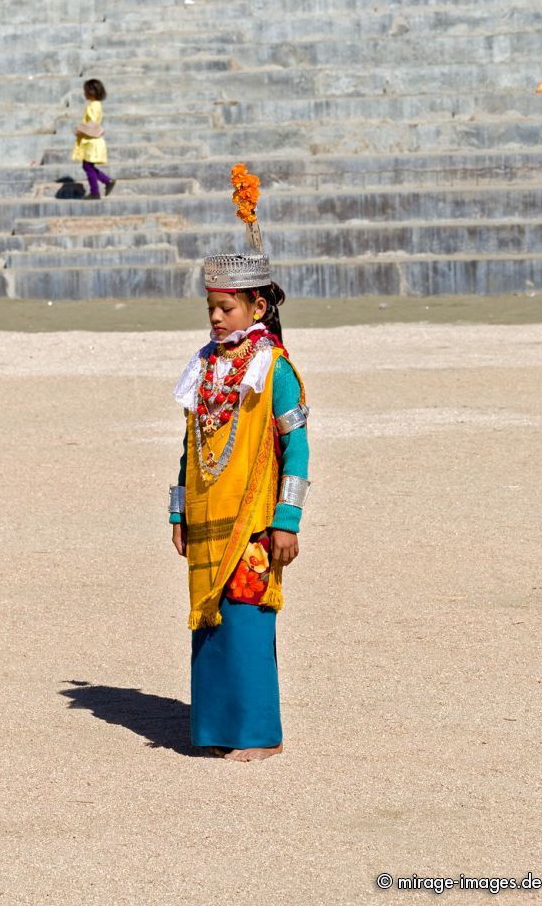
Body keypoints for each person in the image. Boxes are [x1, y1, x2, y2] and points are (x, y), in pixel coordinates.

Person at [169, 251, 311, 762]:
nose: (214, 317)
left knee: (248, 617)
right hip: (208, 516)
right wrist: (179, 511)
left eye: (226, 307)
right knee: (210, 624)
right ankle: (217, 726)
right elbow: (191, 443)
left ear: (256, 306)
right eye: (211, 306)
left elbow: (296, 445)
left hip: (253, 519)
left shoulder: (273, 366)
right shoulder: (206, 364)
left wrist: (286, 520)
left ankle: (260, 734)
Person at [71, 78, 114, 200]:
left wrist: (79, 129)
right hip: (90, 140)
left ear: (91, 92)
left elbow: (92, 123)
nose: (84, 93)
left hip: (92, 141)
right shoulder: (95, 105)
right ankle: (107, 181)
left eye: (85, 91)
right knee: (87, 166)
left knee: (88, 167)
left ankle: (95, 192)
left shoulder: (94, 106)